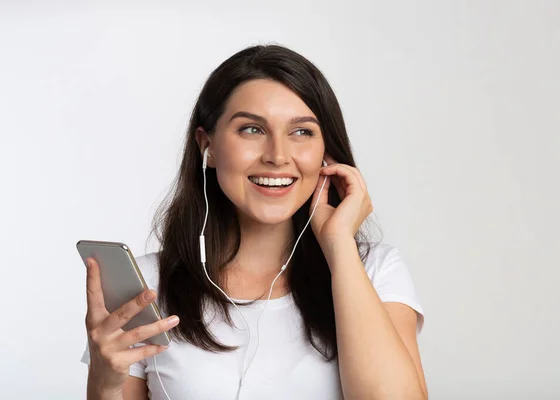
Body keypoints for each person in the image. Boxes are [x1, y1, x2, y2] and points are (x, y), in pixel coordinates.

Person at [80, 44, 427, 400]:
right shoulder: (146, 287)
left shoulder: (374, 271)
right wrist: (105, 382)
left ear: (327, 152)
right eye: (251, 129)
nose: (277, 156)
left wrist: (339, 244)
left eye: (302, 132)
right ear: (208, 147)